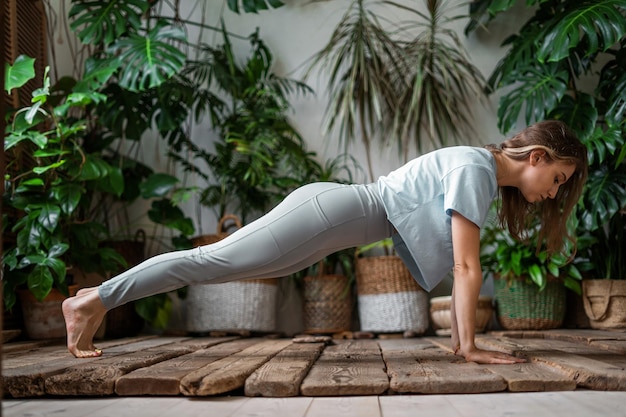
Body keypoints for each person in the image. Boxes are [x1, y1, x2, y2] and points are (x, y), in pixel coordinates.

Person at [63, 120, 588, 363]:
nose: (554, 192)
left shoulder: (477, 168)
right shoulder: (476, 168)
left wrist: (462, 342)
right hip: (331, 212)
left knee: (215, 266)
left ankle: (94, 301)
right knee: (210, 260)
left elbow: (460, 265)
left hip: (335, 223)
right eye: (560, 178)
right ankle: (92, 300)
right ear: (537, 156)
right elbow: (467, 268)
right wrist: (468, 346)